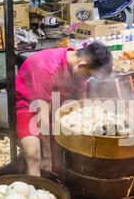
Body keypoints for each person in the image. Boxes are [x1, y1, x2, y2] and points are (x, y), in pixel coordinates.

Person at [16, 42, 113, 176]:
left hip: (55, 105)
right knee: (34, 155)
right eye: (88, 75)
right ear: (82, 64)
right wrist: (47, 156)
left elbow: (80, 104)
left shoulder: (79, 69)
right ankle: (33, 190)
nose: (87, 79)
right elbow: (42, 117)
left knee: (64, 156)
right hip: (29, 106)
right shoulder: (46, 67)